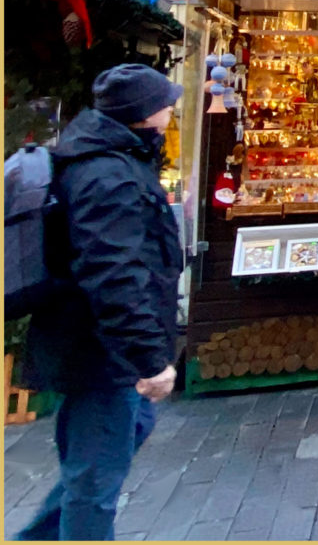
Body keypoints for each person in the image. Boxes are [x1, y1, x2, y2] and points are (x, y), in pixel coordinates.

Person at [17, 64, 185, 541]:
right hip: (101, 351)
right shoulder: (108, 174)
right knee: (95, 480)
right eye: (166, 102)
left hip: (100, 347)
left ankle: (39, 537)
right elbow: (114, 274)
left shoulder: (107, 157)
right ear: (144, 114)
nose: (172, 108)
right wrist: (150, 359)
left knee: (113, 447)